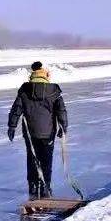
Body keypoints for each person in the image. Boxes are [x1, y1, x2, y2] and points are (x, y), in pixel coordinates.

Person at [7, 61, 68, 199]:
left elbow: (16, 109)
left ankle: (33, 187)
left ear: (33, 75)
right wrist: (63, 126)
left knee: (32, 158)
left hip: (30, 133)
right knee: (46, 159)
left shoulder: (24, 90)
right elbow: (61, 110)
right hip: (48, 132)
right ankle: (45, 187)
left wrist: (12, 126)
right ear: (45, 75)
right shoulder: (53, 91)